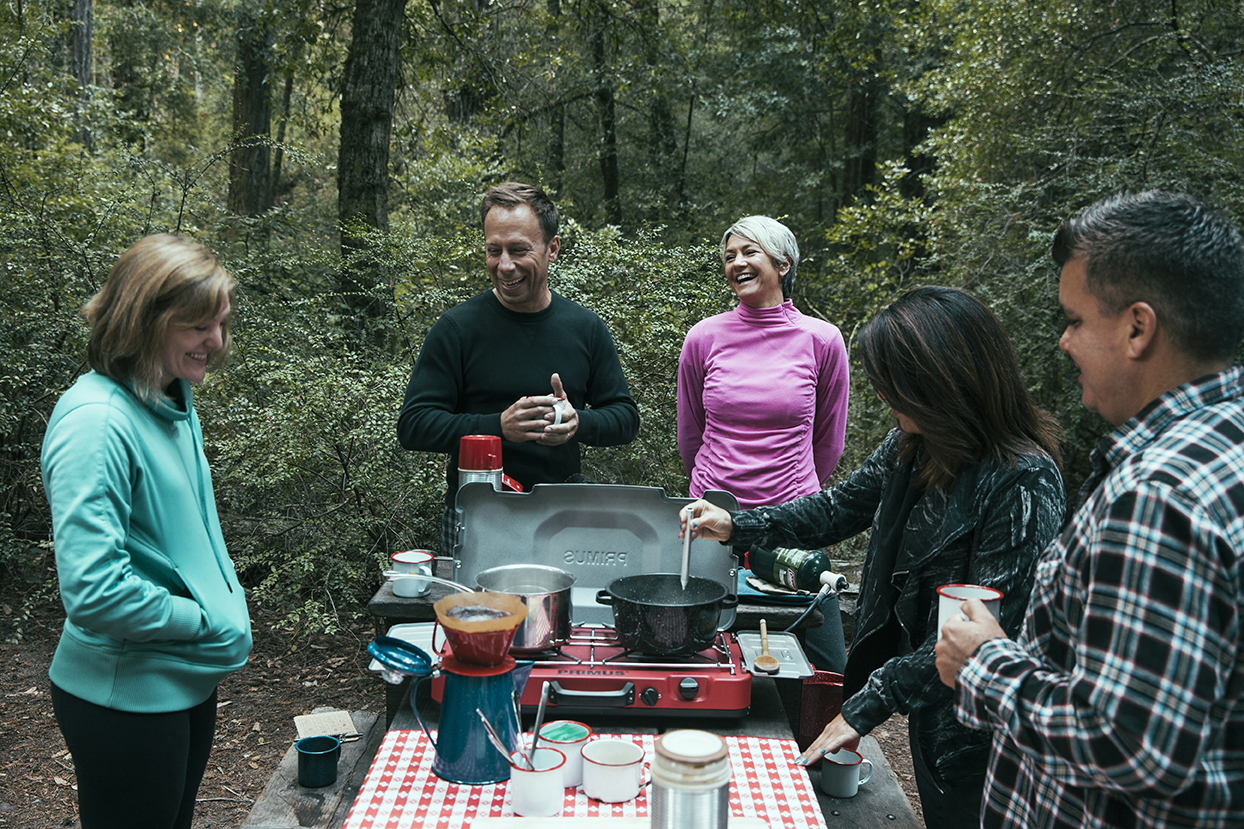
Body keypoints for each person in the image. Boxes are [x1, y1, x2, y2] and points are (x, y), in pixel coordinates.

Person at [682, 286, 1065, 829]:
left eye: (896, 383)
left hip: (992, 732)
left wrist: (867, 704)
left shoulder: (1022, 481)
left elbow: (981, 631)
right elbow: (836, 510)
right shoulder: (911, 446)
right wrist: (739, 524)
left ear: (943, 381)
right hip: (933, 708)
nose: (885, 395)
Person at [936, 190, 1244, 828]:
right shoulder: (1226, 443)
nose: (1063, 341)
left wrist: (984, 664)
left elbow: (1132, 742)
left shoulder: (1157, 495)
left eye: (1074, 319)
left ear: (1138, 327)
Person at [41, 234, 253, 829]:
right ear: (143, 321)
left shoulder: (168, 399)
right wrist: (202, 621)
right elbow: (95, 591)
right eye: (198, 327)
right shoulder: (97, 425)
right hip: (124, 695)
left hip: (183, 678)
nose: (217, 342)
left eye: (221, 323)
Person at [397, 182, 640, 554]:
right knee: (477, 614)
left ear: (552, 248)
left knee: (551, 616)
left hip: (561, 516)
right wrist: (498, 427)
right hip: (477, 515)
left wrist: (579, 424)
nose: (504, 265)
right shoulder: (458, 329)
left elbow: (625, 418)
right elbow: (414, 426)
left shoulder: (584, 328)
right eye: (494, 251)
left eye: (519, 250)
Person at [677, 215, 851, 671]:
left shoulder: (822, 340)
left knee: (826, 665)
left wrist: (788, 499)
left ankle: (820, 744)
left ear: (783, 261)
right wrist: (717, 494)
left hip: (795, 522)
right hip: (713, 521)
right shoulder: (703, 337)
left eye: (749, 252)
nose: (737, 262)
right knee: (704, 653)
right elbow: (690, 435)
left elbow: (828, 441)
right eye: (729, 255)